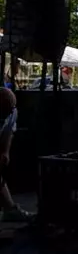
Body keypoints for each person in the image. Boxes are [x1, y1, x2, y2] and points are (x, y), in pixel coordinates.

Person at [0, 88, 31, 222]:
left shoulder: (12, 112)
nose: (8, 113)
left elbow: (8, 132)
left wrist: (5, 151)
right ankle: (9, 209)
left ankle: (10, 210)